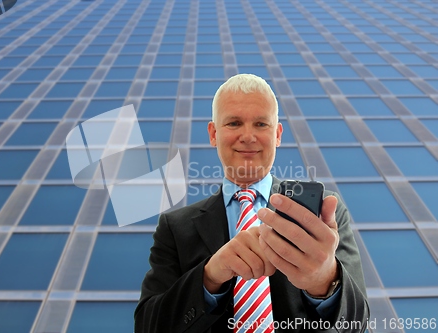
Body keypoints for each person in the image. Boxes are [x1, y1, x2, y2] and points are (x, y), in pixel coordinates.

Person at [134, 74, 369, 332]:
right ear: (213, 134)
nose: (248, 136)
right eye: (234, 123)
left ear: (278, 135)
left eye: (261, 124)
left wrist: (325, 281)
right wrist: (210, 276)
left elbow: (358, 324)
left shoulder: (321, 216)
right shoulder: (175, 228)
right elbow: (148, 326)